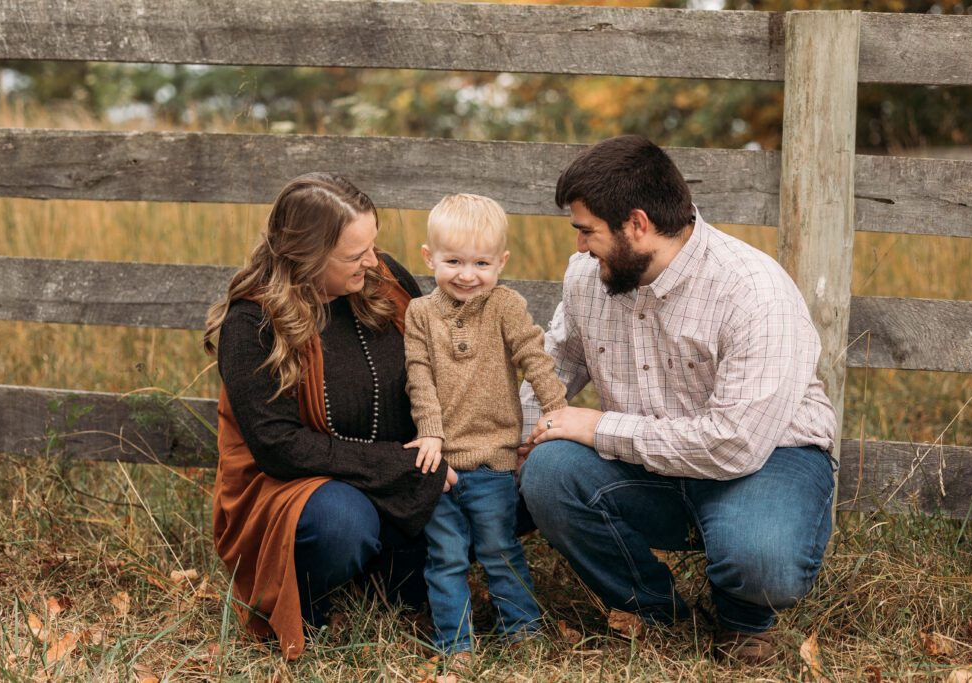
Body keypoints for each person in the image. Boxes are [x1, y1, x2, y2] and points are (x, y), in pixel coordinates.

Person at [518, 136, 837, 665]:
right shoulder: (588, 279)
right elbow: (555, 367)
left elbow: (734, 445)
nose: (578, 247)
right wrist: (499, 443)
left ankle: (743, 618)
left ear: (637, 225)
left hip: (764, 462)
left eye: (586, 231)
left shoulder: (753, 292)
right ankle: (656, 612)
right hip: (649, 464)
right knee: (550, 471)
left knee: (762, 559)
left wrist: (596, 427)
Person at [203, 173, 456, 659]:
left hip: (398, 473)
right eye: (353, 254)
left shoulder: (385, 281)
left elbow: (437, 366)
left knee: (506, 483)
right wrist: (405, 467)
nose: (371, 261)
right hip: (301, 485)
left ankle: (390, 581)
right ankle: (312, 600)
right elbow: (281, 449)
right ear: (305, 254)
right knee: (342, 524)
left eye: (372, 245)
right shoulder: (253, 324)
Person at [403, 193, 568, 655]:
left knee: (500, 550)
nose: (467, 274)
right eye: (453, 260)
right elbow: (418, 376)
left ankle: (524, 633)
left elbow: (534, 355)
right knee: (446, 557)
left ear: (501, 262)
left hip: (494, 460)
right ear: (428, 257)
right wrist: (430, 431)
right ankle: (454, 643)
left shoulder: (505, 306)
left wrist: (555, 410)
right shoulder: (419, 314)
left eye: (481, 262)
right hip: (438, 462)